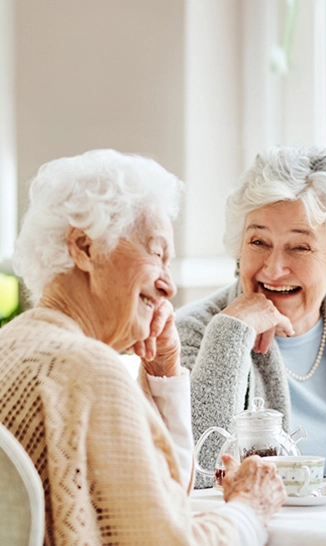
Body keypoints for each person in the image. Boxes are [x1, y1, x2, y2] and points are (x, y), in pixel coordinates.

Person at [0, 149, 285, 545]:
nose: (169, 285)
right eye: (156, 254)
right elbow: (172, 542)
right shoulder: (86, 370)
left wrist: (164, 372)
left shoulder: (13, 345)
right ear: (84, 247)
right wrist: (251, 506)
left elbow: (155, 507)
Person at [177, 146, 326, 486]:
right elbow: (196, 472)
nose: (273, 268)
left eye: (300, 247)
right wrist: (230, 334)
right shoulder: (195, 331)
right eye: (259, 241)